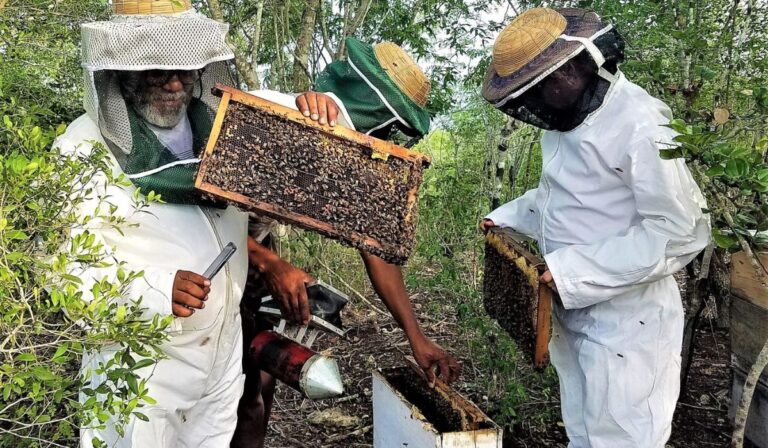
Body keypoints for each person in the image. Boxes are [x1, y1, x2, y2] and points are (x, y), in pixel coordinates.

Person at [479, 7, 710, 448]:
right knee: (583, 432)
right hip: (572, 311)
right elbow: (560, 199)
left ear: (582, 64)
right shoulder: (565, 123)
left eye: (553, 81)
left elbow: (682, 230)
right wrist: (506, 218)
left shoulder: (643, 124)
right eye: (538, 88)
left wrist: (571, 272)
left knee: (622, 439)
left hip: (627, 326)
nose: (548, 94)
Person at [54, 2, 271, 446]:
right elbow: (63, 270)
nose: (174, 84)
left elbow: (234, 222)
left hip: (221, 351)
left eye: (185, 70)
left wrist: (321, 110)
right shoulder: (80, 148)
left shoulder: (217, 129)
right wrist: (155, 290)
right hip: (142, 364)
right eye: (158, 70)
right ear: (124, 73)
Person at [231, 38, 461, 448]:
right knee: (235, 395)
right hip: (203, 263)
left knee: (261, 384)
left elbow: (375, 248)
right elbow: (192, 215)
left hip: (252, 261)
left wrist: (416, 336)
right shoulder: (267, 112)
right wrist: (269, 263)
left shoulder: (349, 156)